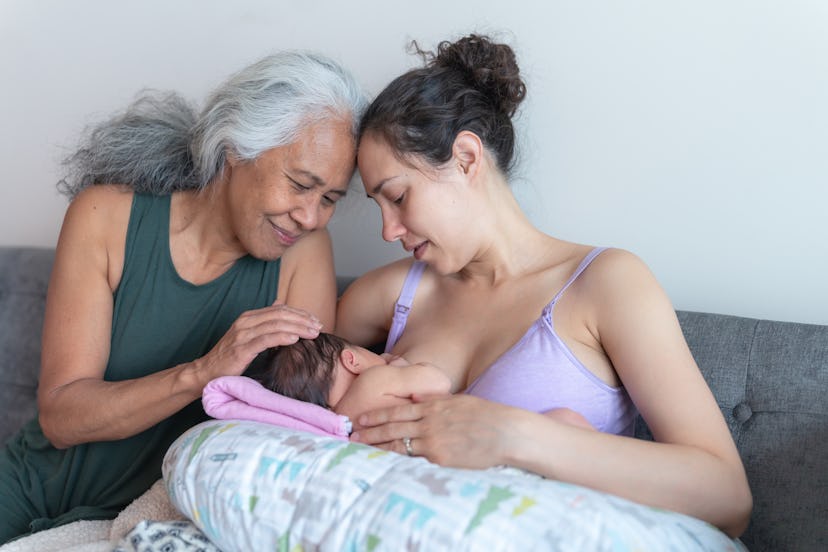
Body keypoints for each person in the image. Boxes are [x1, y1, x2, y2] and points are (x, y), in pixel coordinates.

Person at [336, 34, 752, 537]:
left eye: (398, 196)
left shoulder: (606, 284)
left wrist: (514, 434)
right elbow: (300, 409)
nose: (387, 230)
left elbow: (727, 496)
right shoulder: (385, 297)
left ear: (467, 158)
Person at [0, 51, 367, 544]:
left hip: (150, 524)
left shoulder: (306, 256)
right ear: (235, 147)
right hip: (24, 489)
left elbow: (294, 441)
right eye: (301, 185)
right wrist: (203, 372)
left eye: (329, 199)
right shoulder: (104, 217)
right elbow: (63, 418)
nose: (310, 217)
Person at [251, 332, 593, 431]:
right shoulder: (376, 381)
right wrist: (401, 365)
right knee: (567, 422)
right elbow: (438, 382)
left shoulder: (345, 424)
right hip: (474, 433)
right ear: (351, 358)